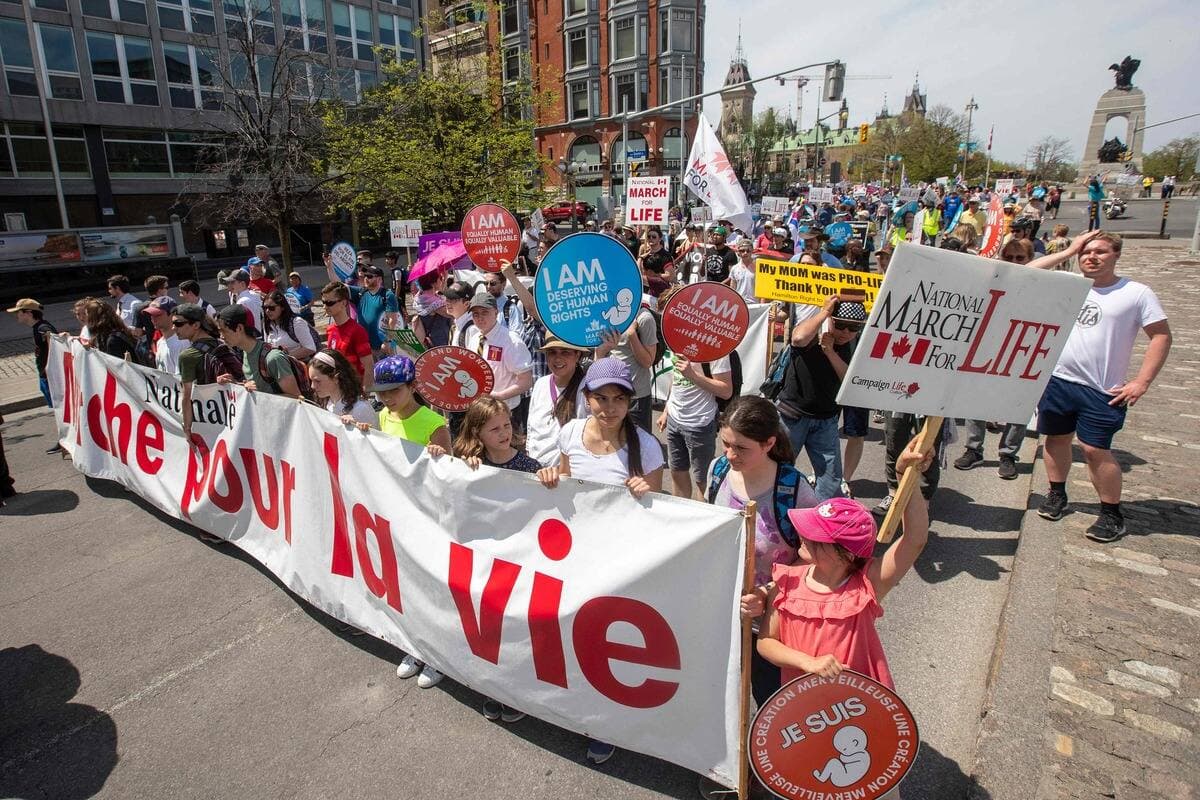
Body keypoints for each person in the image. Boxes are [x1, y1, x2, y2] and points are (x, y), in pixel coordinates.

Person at [536, 357, 664, 767]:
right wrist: (551, 476)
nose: (609, 408)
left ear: (631, 402)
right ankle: (579, 712)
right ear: (587, 398)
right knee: (574, 638)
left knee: (610, 647)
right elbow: (567, 482)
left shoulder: (646, 446)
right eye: (600, 398)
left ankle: (609, 725)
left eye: (619, 399)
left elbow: (665, 512)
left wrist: (648, 491)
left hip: (622, 564)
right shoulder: (571, 431)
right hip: (576, 557)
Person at [756, 448, 931, 735]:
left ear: (846, 555)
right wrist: (807, 663)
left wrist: (904, 476)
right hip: (804, 713)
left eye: (816, 535)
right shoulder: (786, 581)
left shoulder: (866, 584)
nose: (803, 534)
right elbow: (765, 643)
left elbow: (915, 539)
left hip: (856, 708)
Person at [1033, 232, 1171, 542]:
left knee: (1096, 450)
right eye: (1085, 252)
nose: (1091, 257)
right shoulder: (1070, 284)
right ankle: (1057, 494)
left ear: (1116, 255)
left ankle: (1111, 514)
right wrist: (1067, 250)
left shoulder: (1136, 293)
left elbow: (1161, 336)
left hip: (1102, 388)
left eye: (1100, 252)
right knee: (1056, 440)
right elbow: (1028, 271)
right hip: (1059, 380)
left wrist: (1142, 382)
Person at [706, 396, 818, 704]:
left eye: (741, 448)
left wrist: (766, 593)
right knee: (724, 696)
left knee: (771, 699)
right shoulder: (717, 471)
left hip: (772, 624)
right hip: (723, 613)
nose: (729, 455)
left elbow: (814, 558)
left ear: (769, 443)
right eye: (725, 443)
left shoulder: (794, 490)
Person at [774, 297, 864, 501]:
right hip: (792, 416)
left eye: (853, 328)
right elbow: (798, 339)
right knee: (779, 470)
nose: (846, 333)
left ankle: (823, 522)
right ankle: (775, 517)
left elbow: (848, 380)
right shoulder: (813, 331)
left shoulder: (852, 344)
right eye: (841, 325)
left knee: (831, 479)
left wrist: (830, 351)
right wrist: (824, 312)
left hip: (826, 420)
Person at [657, 345, 733, 500]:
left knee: (703, 479)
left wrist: (692, 374)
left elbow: (726, 391)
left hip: (700, 422)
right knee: (677, 472)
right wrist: (666, 409)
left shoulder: (716, 347)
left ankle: (702, 519)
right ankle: (680, 515)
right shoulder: (677, 340)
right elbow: (676, 377)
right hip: (674, 418)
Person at [173, 303, 244, 445]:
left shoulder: (187, 356)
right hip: (235, 417)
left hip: (209, 421)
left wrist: (187, 428)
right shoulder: (222, 343)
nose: (174, 328)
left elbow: (187, 396)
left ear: (196, 325)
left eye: (179, 323)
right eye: (173, 323)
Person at [593, 293, 658, 432]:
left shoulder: (644, 318)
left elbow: (648, 362)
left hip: (636, 397)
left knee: (638, 446)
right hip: (610, 392)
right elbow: (600, 354)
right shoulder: (607, 313)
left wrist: (632, 335)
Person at [462, 291, 533, 417]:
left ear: (496, 312)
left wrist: (499, 396)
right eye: (475, 314)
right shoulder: (474, 339)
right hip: (480, 409)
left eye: (485, 312)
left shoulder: (511, 340)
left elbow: (526, 381)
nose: (480, 318)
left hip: (505, 411)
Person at [362, 355, 451, 451]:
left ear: (413, 386)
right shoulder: (384, 414)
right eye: (381, 392)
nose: (386, 398)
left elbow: (446, 463)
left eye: (394, 390)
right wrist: (356, 430)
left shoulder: (435, 424)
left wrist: (437, 453)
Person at [525, 335, 590, 467]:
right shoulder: (540, 384)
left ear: (577, 355)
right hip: (534, 470)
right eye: (552, 352)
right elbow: (531, 426)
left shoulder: (587, 389)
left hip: (565, 473)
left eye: (565, 352)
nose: (558, 358)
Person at [6, 299, 60, 451]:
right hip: (45, 375)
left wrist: (50, 371)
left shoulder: (42, 328)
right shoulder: (38, 327)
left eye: (19, 312)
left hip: (50, 376)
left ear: (28, 313)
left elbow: (55, 344)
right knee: (56, 409)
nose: (17, 315)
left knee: (58, 409)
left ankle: (64, 440)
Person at [215, 305, 302, 398]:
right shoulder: (246, 353)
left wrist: (257, 394)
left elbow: (296, 398)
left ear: (239, 328)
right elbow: (257, 387)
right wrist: (235, 384)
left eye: (223, 331)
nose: (221, 336)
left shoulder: (273, 358)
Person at [326, 256, 399, 354]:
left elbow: (393, 320)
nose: (366, 278)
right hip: (363, 345)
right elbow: (338, 286)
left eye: (370, 276)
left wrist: (388, 341)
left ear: (379, 279)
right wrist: (329, 266)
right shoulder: (361, 293)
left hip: (381, 347)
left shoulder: (387, 295)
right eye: (365, 276)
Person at [308, 348, 376, 427]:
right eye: (311, 381)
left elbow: (375, 438)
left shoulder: (360, 409)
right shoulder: (327, 404)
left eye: (317, 381)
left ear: (336, 378)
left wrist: (353, 427)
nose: (312, 386)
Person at [321, 282, 374, 382]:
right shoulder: (330, 329)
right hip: (339, 388)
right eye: (323, 302)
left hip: (355, 389)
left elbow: (369, 366)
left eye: (330, 303)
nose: (325, 307)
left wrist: (366, 392)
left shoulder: (357, 331)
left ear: (344, 303)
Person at [262, 289, 318, 362]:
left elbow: (310, 348)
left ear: (282, 307)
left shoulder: (297, 323)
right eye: (265, 308)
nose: (267, 311)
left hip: (298, 368)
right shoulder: (267, 324)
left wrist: (285, 357)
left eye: (271, 308)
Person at [145, 297, 185, 376]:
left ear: (172, 315)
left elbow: (181, 379)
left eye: (157, 315)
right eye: (151, 315)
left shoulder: (181, 343)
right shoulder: (160, 342)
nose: (153, 319)